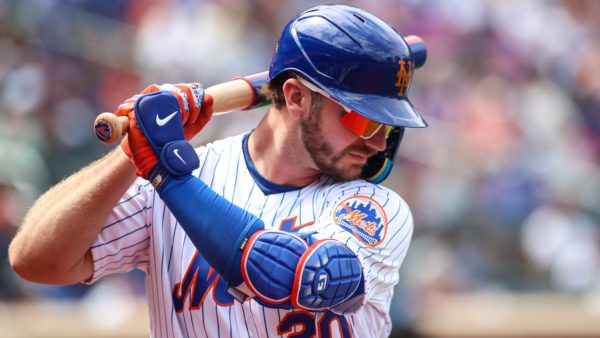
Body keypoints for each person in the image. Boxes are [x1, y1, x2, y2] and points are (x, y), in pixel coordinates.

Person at [9, 4, 428, 337]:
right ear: (296, 97)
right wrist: (134, 149)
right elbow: (35, 260)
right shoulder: (186, 172)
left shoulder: (375, 207)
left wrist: (168, 176)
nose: (377, 141)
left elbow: (304, 275)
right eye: (364, 120)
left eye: (387, 126)